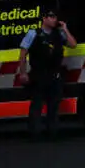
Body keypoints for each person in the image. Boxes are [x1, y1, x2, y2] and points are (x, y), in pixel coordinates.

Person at [18, 9, 77, 140]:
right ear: (44, 19)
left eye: (55, 17)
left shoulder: (59, 34)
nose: (54, 19)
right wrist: (23, 73)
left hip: (55, 75)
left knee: (54, 106)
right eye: (51, 16)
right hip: (38, 75)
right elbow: (23, 53)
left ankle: (52, 133)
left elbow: (73, 44)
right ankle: (35, 133)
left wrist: (65, 29)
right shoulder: (33, 33)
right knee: (37, 106)